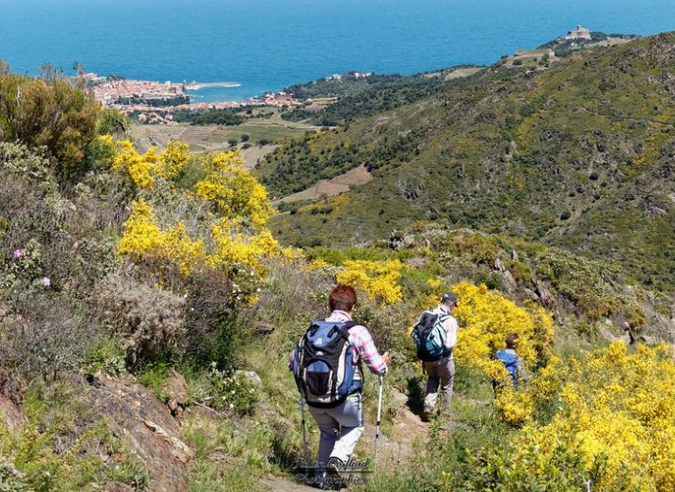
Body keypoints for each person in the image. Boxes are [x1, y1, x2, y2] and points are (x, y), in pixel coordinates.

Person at [291, 284, 388, 483]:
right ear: (352, 307)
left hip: (312, 397)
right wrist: (384, 364)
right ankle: (338, 459)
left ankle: (320, 478)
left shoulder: (313, 329)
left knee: (328, 432)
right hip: (345, 398)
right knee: (354, 426)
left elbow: (293, 362)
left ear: (330, 305)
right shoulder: (357, 331)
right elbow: (378, 368)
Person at [419, 293, 458, 422]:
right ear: (451, 304)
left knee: (432, 378)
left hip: (427, 357)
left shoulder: (427, 313)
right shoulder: (450, 321)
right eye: (454, 306)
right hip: (444, 359)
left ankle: (428, 407)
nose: (454, 308)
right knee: (447, 385)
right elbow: (449, 344)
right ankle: (444, 414)